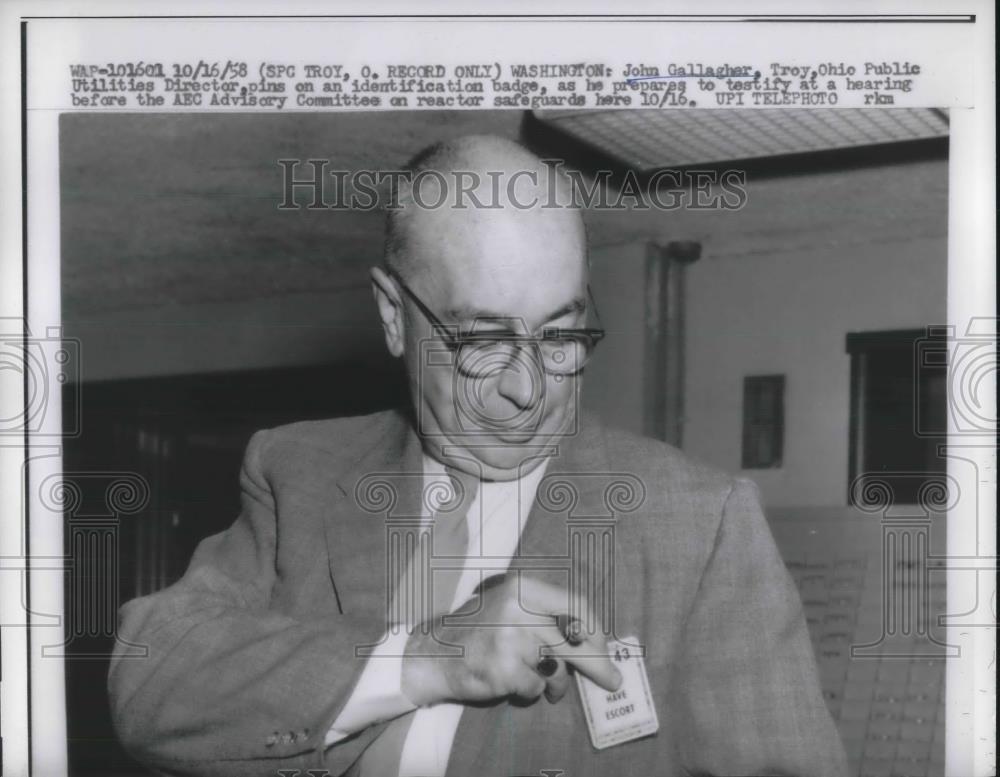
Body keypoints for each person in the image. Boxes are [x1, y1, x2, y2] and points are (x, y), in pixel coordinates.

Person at [109, 135, 848, 777]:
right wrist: (431, 655)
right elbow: (152, 680)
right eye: (484, 341)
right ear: (395, 316)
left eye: (560, 335)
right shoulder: (299, 471)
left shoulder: (698, 524)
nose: (529, 389)